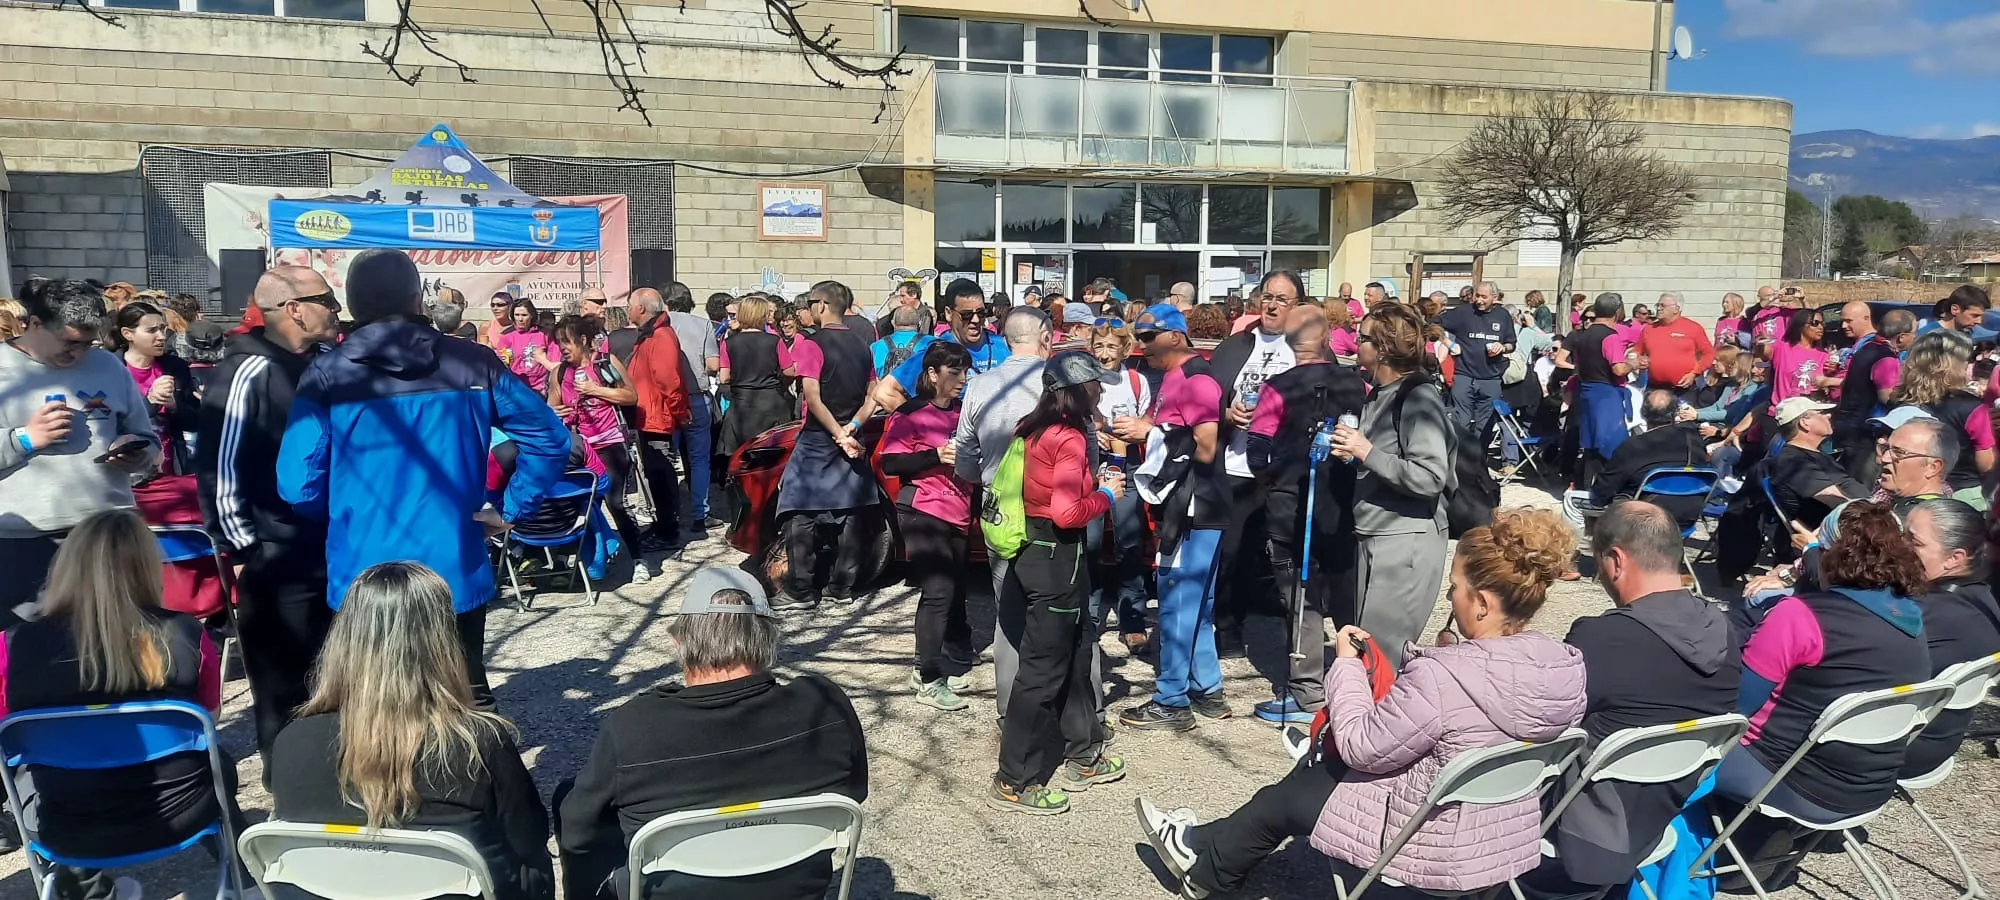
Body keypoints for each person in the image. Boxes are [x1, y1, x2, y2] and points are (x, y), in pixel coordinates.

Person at [1133, 508, 1586, 899]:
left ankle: (1204, 865)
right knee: (1302, 782)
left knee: (1302, 785)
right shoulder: (1563, 667)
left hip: (1428, 838)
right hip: (1499, 836)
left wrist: (1347, 667)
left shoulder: (1443, 676)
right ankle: (1202, 851)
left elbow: (1360, 746)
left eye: (1455, 589)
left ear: (1483, 604)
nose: (1449, 597)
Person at [279, 249, 569, 710]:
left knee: (373, 713)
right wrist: (509, 510)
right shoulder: (474, 362)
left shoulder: (328, 373)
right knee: (466, 706)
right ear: (418, 300)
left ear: (352, 307)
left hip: (363, 575)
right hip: (454, 566)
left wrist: (340, 518)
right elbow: (551, 439)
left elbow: (298, 484)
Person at [556, 567, 867, 898]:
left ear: (679, 641)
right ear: (768, 638)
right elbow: (854, 794)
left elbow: (579, 835)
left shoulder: (633, 727)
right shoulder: (826, 706)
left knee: (571, 800)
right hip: (795, 889)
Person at [269, 562, 552, 900]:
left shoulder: (291, 742)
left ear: (343, 638)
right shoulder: (477, 743)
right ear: (443, 641)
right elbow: (529, 838)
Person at [1, 509, 237, 900]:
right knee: (215, 757)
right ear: (147, 566)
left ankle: (88, 888)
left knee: (33, 768)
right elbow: (208, 722)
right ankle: (240, 865)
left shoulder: (11, 645)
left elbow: (9, 742)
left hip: (63, 821)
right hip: (182, 811)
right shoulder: (187, 634)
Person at [1526, 501, 1743, 895]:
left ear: (1615, 560)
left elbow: (1536, 726)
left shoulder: (1601, 638)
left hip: (1580, 830)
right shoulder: (1725, 632)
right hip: (1660, 816)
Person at [195, 265, 342, 765]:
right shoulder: (247, 370)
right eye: (326, 299)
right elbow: (219, 465)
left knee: (339, 677)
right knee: (283, 687)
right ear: (294, 309)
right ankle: (290, 789)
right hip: (277, 555)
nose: (337, 308)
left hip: (336, 546)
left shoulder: (329, 360)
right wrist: (245, 549)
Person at [1718, 502, 1930, 842]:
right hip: (1868, 787)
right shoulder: (1911, 620)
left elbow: (1734, 708)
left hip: (1789, 780)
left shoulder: (1799, 617)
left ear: (1827, 554)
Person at [990, 351, 1127, 814]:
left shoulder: (1031, 428)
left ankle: (1083, 752)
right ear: (1077, 390)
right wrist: (1108, 493)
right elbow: (1068, 513)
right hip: (1056, 563)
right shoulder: (1067, 437)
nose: (1102, 390)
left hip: (1033, 553)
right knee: (1042, 673)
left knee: (1076, 654)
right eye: (1096, 384)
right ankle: (1014, 779)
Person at [0, 278, 157, 621]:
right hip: (24, 540)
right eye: (70, 342)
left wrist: (136, 451)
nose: (80, 354)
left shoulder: (108, 366)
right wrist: (23, 439)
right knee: (26, 655)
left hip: (108, 533)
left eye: (89, 343)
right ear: (35, 324)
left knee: (116, 648)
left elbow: (146, 436)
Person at [1243, 305, 1367, 724]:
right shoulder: (1357, 384)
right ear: (1329, 336)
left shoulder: (1277, 387)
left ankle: (1309, 691)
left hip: (1291, 506)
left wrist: (1270, 477)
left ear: (1289, 341)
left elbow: (1257, 450)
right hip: (1346, 504)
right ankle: (1361, 678)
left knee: (1301, 598)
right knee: (1348, 594)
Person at [1119, 304, 1230, 731]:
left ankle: (1171, 700)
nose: (1141, 345)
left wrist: (1151, 433)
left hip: (1194, 506)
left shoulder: (1197, 378)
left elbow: (1206, 444)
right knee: (1197, 604)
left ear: (1177, 337)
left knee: (1178, 604)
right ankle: (1207, 689)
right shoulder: (1173, 377)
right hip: (1190, 504)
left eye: (1149, 337)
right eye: (1139, 337)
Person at [1331, 301, 1452, 665]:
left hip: (1406, 541)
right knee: (1370, 650)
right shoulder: (1380, 393)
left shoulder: (1417, 396)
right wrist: (1355, 455)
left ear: (1382, 349)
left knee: (1382, 658)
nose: (1355, 342)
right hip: (1377, 535)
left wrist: (1366, 452)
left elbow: (1431, 476)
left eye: (1362, 337)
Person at [952, 308, 1057, 720]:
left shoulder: (980, 386)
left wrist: (979, 477)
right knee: (1061, 608)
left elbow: (964, 451)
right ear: (1046, 336)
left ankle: (1011, 708)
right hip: (1054, 509)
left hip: (999, 509)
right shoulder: (1057, 383)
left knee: (1009, 609)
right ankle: (1064, 706)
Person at [1208, 271, 1305, 660]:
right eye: (1267, 296)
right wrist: (1227, 415)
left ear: (1297, 305)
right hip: (1236, 464)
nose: (1272, 305)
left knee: (1284, 550)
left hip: (1284, 469)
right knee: (1231, 552)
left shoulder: (1306, 347)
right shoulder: (1234, 347)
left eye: (1282, 299)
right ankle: (1227, 627)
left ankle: (1287, 626)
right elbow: (1209, 400)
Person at [877, 341, 979, 710]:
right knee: (937, 592)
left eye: (965, 372)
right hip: (922, 509)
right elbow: (890, 464)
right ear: (932, 374)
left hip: (959, 510)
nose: (962, 380)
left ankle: (930, 668)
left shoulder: (964, 412)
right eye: (954, 372)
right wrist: (934, 455)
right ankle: (928, 676)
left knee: (952, 592)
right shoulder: (910, 414)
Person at [773, 281, 877, 608]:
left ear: (821, 306)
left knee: (798, 510)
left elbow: (813, 399)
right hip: (852, 434)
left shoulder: (810, 344)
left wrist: (837, 433)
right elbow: (873, 395)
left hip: (820, 437)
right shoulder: (863, 345)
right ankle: (842, 587)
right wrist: (853, 428)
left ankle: (801, 590)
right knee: (851, 510)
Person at [538, 315, 647, 577]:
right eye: (558, 343)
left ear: (583, 340)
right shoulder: (559, 372)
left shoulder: (605, 362)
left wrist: (594, 390)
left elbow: (630, 396)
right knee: (579, 502)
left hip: (610, 441)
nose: (562, 348)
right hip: (579, 446)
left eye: (567, 342)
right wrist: (555, 412)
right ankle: (587, 556)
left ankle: (638, 559)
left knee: (615, 503)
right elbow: (551, 407)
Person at [1898, 499, 2000, 779]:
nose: (1896, 545)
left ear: (1953, 558)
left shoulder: (1920, 613)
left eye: (1913, 541)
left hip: (1892, 748)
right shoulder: (1984, 598)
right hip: (1938, 741)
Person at [1090, 323, 1152, 655]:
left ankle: (1133, 619)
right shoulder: (1087, 379)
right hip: (1091, 467)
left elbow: (1144, 422)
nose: (1104, 353)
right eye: (1099, 346)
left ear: (1125, 349)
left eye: (1112, 347)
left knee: (1129, 540)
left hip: (1125, 465)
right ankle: (1088, 614)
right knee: (1091, 542)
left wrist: (1134, 432)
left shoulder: (1135, 380)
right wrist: (1092, 432)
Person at [870, 278, 1010, 413]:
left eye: (981, 313)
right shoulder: (937, 350)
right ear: (949, 314)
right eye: (966, 315)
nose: (975, 320)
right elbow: (885, 392)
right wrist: (923, 424)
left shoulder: (1001, 345)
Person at [1888, 330, 1993, 506]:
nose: (1970, 364)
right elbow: (1987, 464)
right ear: (1953, 365)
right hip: (1965, 495)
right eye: (1966, 360)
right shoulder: (1971, 406)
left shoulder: (1899, 401)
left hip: (1912, 492)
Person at [625, 287, 694, 546]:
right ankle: (661, 525)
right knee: (655, 476)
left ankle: (668, 531)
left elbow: (670, 381)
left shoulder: (660, 335)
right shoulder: (649, 334)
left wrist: (678, 413)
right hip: (648, 415)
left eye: (630, 304)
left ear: (641, 308)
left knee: (663, 476)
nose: (627, 309)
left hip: (658, 417)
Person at [104, 300, 199, 474]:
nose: (162, 336)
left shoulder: (175, 367)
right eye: (151, 330)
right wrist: (151, 401)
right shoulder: (111, 369)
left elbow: (193, 422)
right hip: (127, 473)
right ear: (127, 334)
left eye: (162, 328)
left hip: (171, 471)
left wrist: (174, 406)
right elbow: (109, 424)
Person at [1556, 293, 1639, 483]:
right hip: (1606, 395)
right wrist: (1633, 364)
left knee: (1591, 443)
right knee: (1609, 444)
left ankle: (1584, 485)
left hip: (1585, 392)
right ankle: (1604, 488)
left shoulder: (1581, 336)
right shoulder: (1610, 337)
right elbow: (1618, 369)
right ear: (1617, 312)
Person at [1831, 305, 1915, 486]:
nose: (1915, 337)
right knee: (1861, 488)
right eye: (1913, 333)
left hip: (1848, 427)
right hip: (1864, 435)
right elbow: (1888, 397)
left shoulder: (1866, 348)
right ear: (1901, 337)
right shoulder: (1886, 358)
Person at [1588, 389, 1709, 512]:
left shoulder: (1632, 446)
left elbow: (1601, 494)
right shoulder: (1694, 440)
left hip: (1642, 520)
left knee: (1572, 503)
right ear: (1674, 413)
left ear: (1643, 413)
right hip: (1685, 517)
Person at [663, 282, 721, 531]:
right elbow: (713, 365)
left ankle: (668, 515)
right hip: (697, 396)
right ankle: (701, 514)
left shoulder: (659, 324)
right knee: (699, 460)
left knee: (665, 459)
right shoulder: (702, 324)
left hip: (667, 399)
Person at [1767, 396, 1867, 530]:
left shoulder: (1815, 454)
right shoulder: (1792, 462)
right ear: (1804, 423)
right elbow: (1839, 504)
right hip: (1852, 532)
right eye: (1821, 413)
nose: (1829, 416)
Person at [1438, 280, 1516, 446]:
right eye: (1477, 296)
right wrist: (1447, 342)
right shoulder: (1463, 312)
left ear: (1494, 298)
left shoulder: (1503, 315)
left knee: (1485, 426)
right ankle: (1459, 463)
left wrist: (1502, 347)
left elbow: (1511, 344)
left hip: (1490, 378)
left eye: (1484, 297)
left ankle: (1479, 462)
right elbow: (1433, 323)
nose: (1479, 300)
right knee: (1460, 423)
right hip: (1464, 376)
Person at [716, 295, 797, 456]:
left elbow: (724, 377)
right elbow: (790, 371)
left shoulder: (729, 343)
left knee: (740, 457)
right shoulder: (775, 341)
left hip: (741, 406)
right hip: (772, 405)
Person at [1637, 292, 1714, 396]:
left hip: (1683, 389)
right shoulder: (1649, 329)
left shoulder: (1693, 328)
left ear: (1676, 309)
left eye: (1663, 306)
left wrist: (1694, 373)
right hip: (1654, 388)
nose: (1659, 308)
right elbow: (1636, 351)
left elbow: (1709, 353)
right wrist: (1639, 359)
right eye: (1657, 305)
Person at [1877, 415, 1955, 515]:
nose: (1884, 458)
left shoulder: (1922, 524)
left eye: (1899, 452)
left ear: (1932, 468)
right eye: (1885, 448)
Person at [1768, 309, 1829, 413]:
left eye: (1823, 324)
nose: (1820, 327)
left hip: (1809, 413)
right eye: (1815, 323)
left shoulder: (1824, 355)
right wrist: (1759, 344)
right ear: (1800, 325)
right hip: (1782, 412)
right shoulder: (1782, 348)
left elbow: (1825, 386)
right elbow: (1762, 353)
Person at [871, 304, 935, 382]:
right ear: (920, 323)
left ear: (893, 323)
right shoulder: (932, 343)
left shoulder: (876, 346)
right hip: (920, 392)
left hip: (887, 391)